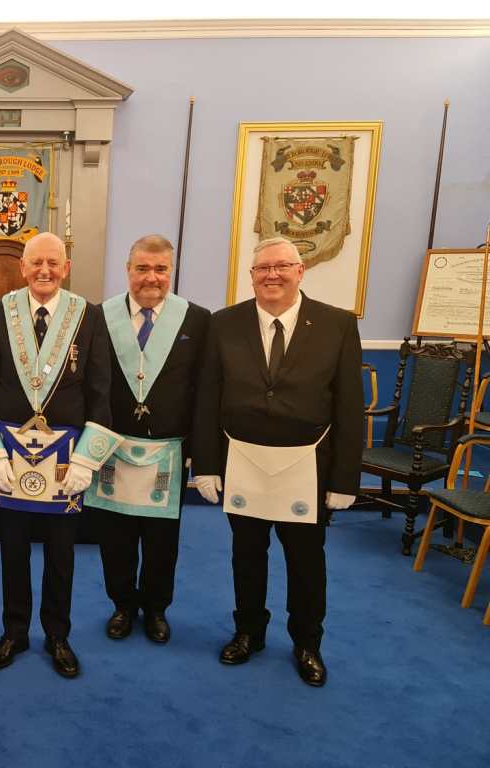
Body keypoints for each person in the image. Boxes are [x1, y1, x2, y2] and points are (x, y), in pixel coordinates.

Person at [192, 236, 362, 687]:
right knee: (246, 556)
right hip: (242, 461)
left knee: (306, 562)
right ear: (251, 276)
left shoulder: (337, 325)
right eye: (263, 268)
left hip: (308, 466)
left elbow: (349, 406)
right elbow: (207, 398)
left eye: (282, 266)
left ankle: (307, 642)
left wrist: (345, 478)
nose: (272, 275)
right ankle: (248, 631)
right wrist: (205, 464)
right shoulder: (223, 324)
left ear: (300, 271)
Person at [0, 232, 119, 679]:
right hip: (10, 457)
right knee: (12, 549)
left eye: (53, 263)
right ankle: (14, 632)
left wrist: (87, 460)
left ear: (66, 268)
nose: (45, 271)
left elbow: (100, 391)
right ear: (23, 267)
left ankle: (57, 635)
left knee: (61, 552)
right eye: (36, 263)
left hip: (66, 460)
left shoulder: (88, 314)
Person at [85, 235, 209, 645]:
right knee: (115, 537)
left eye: (160, 269)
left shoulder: (196, 320)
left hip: (168, 452)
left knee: (162, 541)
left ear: (171, 272)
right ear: (128, 270)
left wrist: (200, 453)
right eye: (142, 268)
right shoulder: (99, 316)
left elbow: (204, 390)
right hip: (113, 448)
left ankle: (156, 608)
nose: (151, 277)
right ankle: (122, 605)